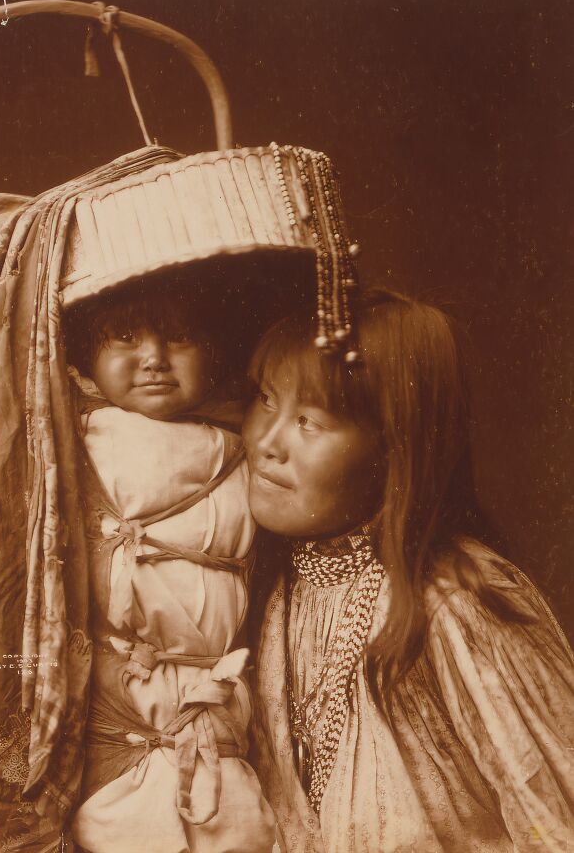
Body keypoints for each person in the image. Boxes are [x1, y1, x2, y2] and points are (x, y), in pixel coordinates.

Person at [243, 288, 574, 852]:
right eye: (267, 400)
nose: (267, 442)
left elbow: (556, 814)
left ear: (394, 450)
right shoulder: (277, 588)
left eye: (310, 421)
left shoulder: (456, 601)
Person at [66, 284, 275, 853]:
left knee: (234, 819)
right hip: (127, 684)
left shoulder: (244, 439)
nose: (155, 357)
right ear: (86, 356)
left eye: (180, 337)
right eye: (125, 337)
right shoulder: (82, 439)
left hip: (218, 682)